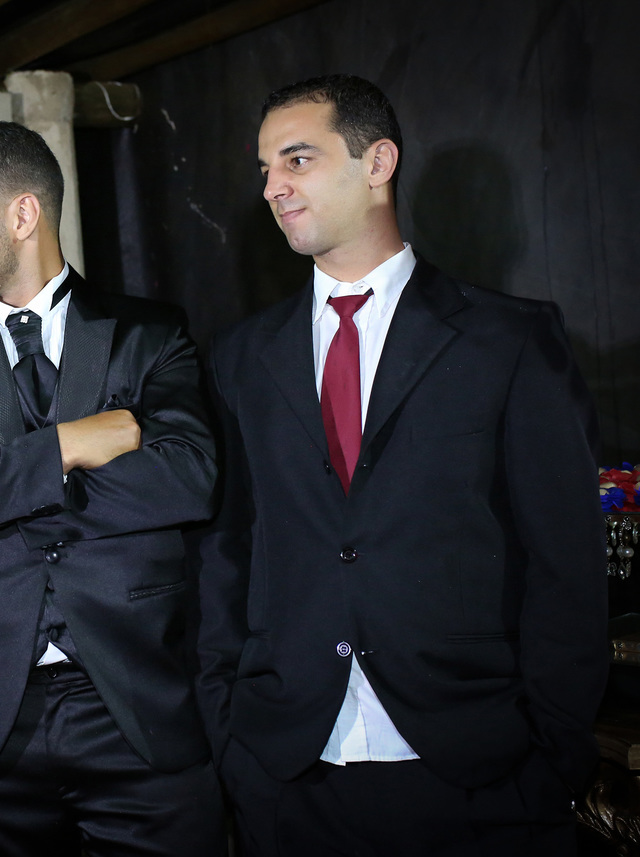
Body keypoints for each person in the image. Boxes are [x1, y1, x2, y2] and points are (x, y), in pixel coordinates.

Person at [194, 74, 607, 855]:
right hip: (288, 774)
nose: (273, 187)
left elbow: (567, 564)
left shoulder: (509, 340)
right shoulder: (242, 355)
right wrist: (231, 739)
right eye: (265, 169)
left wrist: (551, 754)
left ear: (378, 162)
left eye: (297, 160)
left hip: (481, 774)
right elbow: (227, 554)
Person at [0, 121, 226, 857]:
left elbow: (188, 482)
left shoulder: (150, 333)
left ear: (22, 214)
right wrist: (67, 446)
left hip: (138, 709)